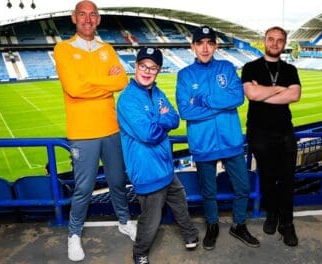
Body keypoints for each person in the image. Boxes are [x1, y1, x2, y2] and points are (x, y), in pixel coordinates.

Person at [53, 1, 136, 261]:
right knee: (84, 187)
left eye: (92, 15)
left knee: (117, 181)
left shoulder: (106, 48)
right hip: (82, 132)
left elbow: (121, 80)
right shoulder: (63, 49)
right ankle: (74, 235)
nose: (88, 19)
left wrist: (90, 81)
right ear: (73, 18)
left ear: (98, 20)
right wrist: (104, 82)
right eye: (82, 14)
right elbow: (74, 89)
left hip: (111, 128)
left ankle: (124, 221)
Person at [176, 25, 260, 250]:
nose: (205, 48)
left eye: (209, 43)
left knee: (242, 188)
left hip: (231, 141)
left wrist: (204, 100)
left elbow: (237, 98)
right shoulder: (184, 75)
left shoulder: (226, 67)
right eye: (200, 43)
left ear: (215, 46)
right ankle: (212, 225)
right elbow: (185, 111)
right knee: (208, 191)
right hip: (203, 144)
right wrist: (220, 103)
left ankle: (239, 224)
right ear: (193, 46)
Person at [117, 47, 199, 264]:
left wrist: (159, 119)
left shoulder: (158, 93)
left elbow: (175, 119)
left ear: (158, 70)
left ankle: (190, 235)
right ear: (135, 66)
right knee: (151, 219)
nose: (147, 71)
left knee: (179, 200)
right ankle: (140, 253)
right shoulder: (127, 99)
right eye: (143, 66)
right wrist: (161, 119)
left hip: (165, 167)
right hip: (146, 170)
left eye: (152, 67)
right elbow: (149, 133)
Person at [241, 26, 301, 247]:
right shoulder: (250, 67)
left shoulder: (290, 69)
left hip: (285, 133)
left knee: (287, 181)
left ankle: (287, 224)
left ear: (284, 44)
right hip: (259, 132)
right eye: (271, 39)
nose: (275, 43)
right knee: (267, 178)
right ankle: (272, 214)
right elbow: (251, 94)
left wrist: (264, 91)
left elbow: (294, 95)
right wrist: (278, 89)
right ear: (264, 41)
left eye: (279, 40)